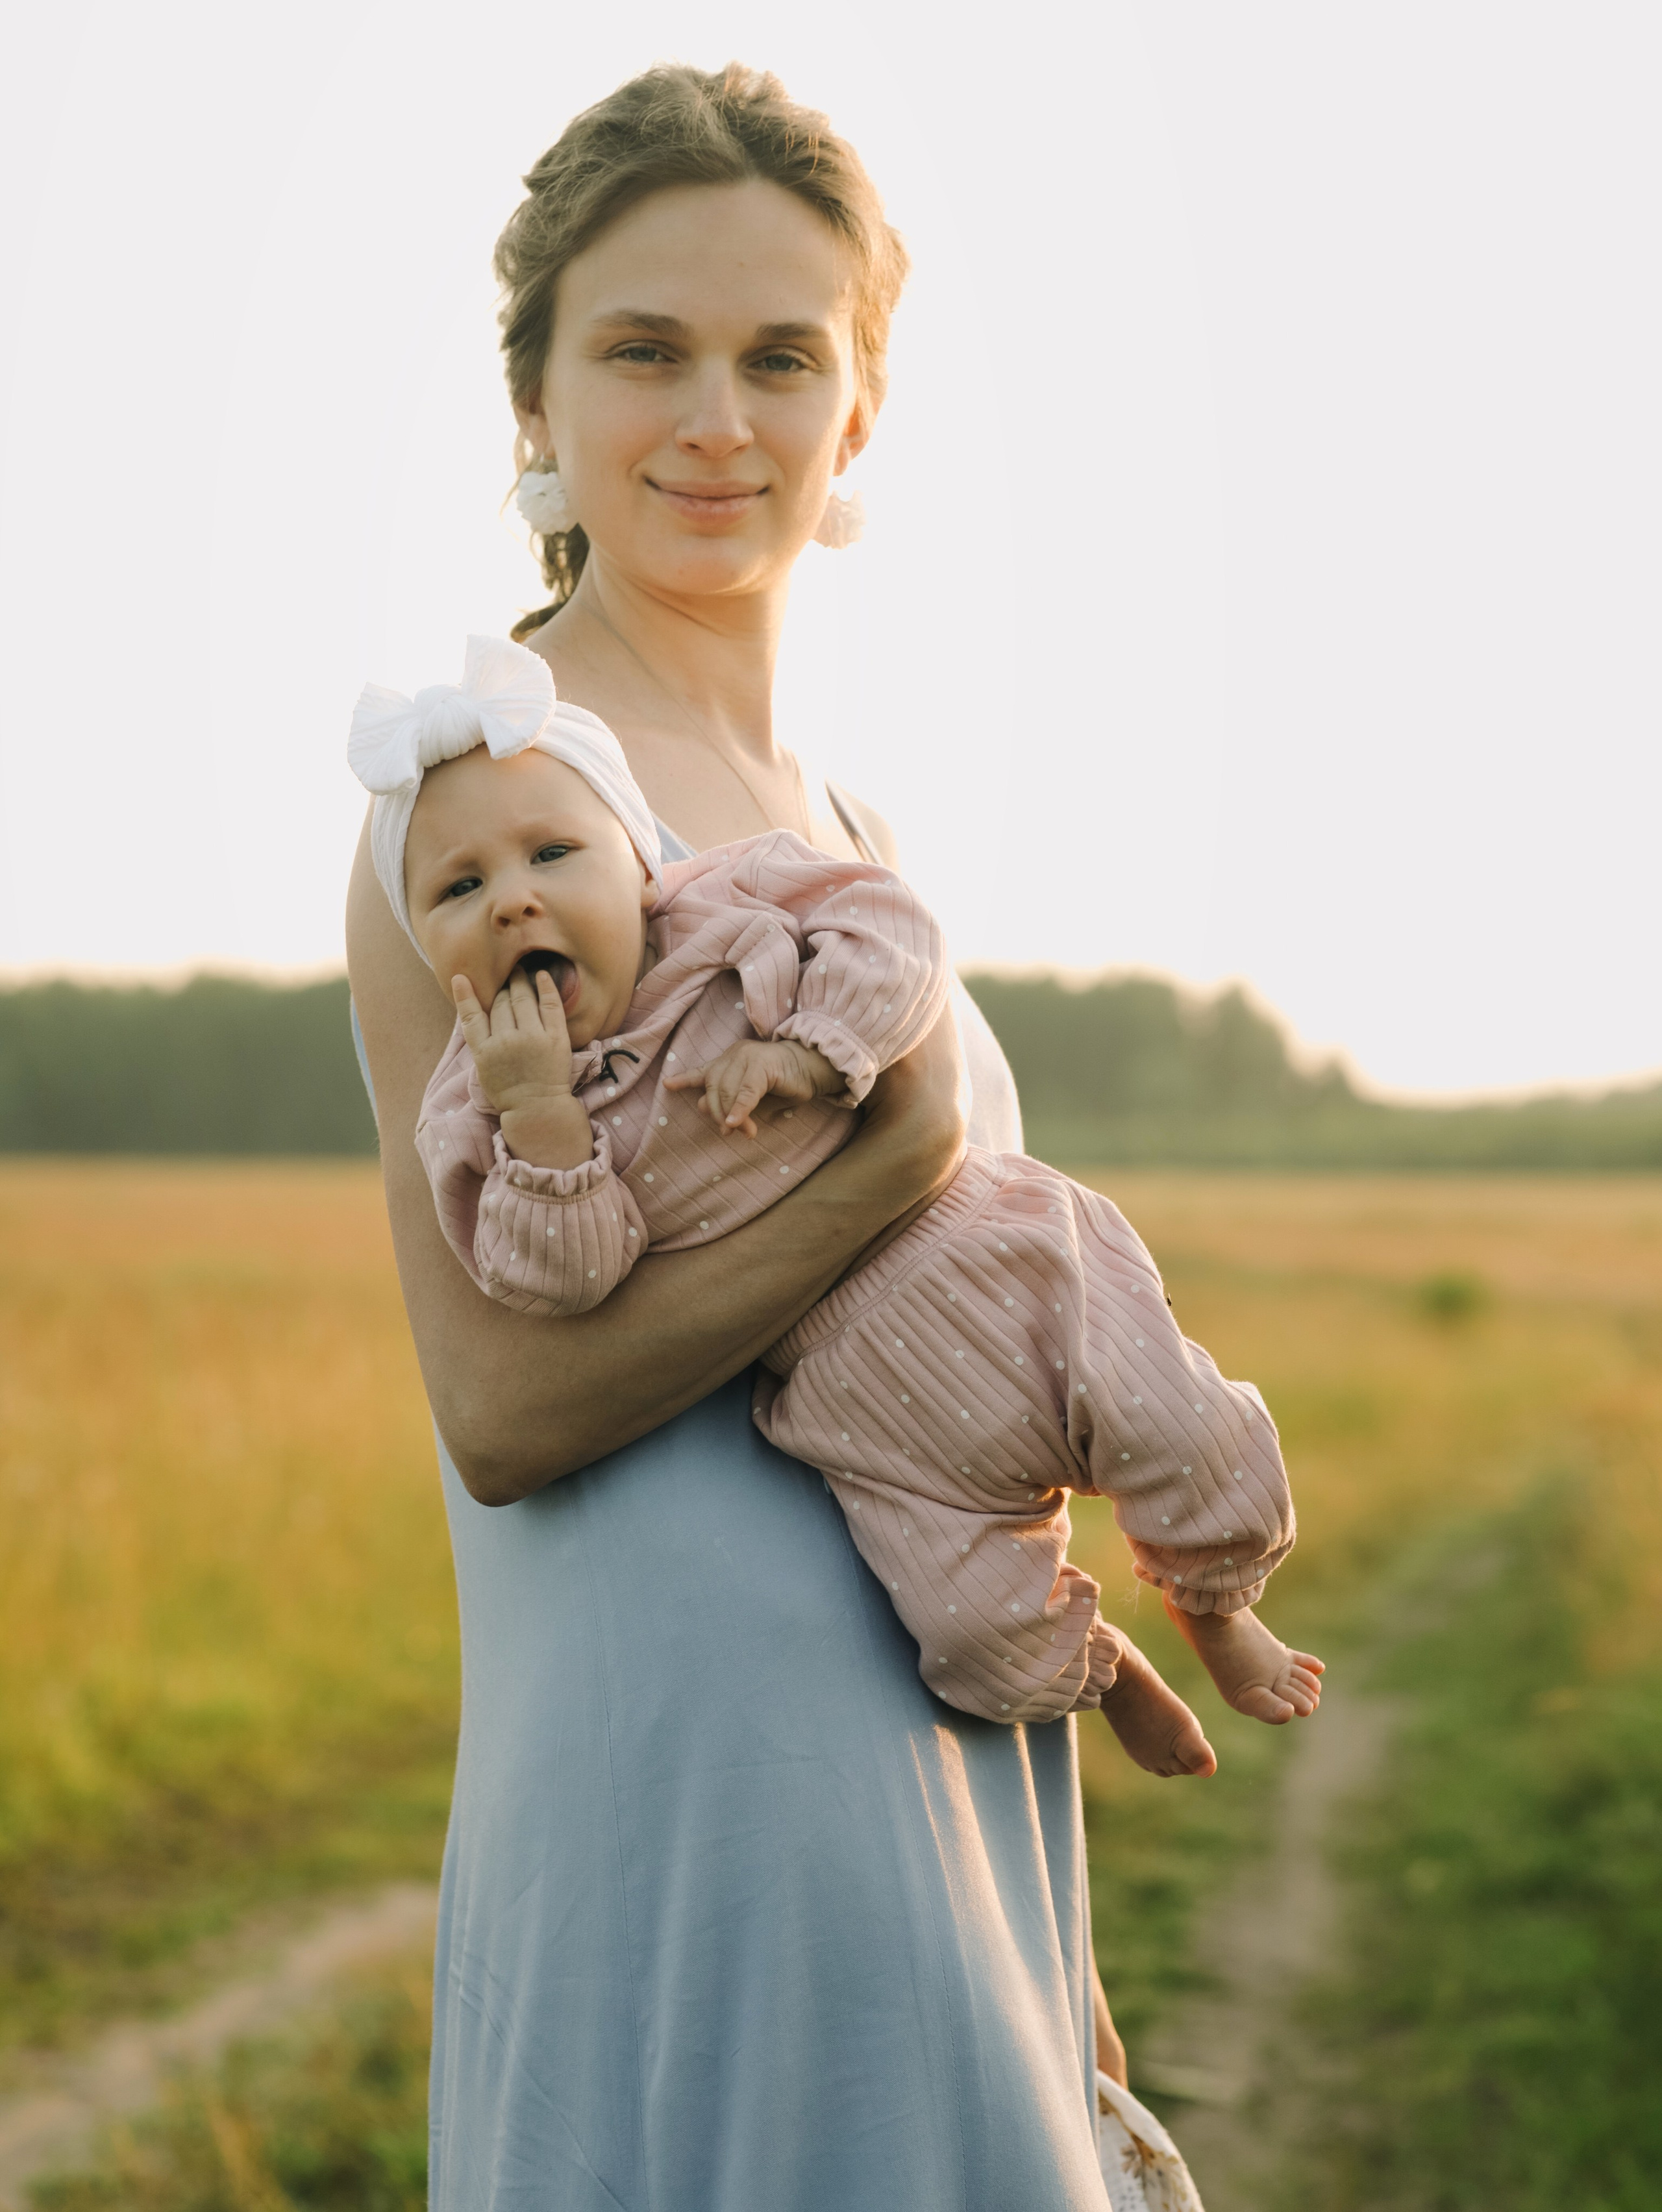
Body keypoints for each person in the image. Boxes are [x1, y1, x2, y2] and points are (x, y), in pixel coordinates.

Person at [344, 62, 1282, 2209]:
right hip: (696, 1806)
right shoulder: (484, 815)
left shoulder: (855, 822)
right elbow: (501, 1402)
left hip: (952, 1794)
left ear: (861, 415)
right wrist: (875, 1165)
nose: (716, 419)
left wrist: (1055, 1925)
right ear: (537, 400)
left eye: (785, 356)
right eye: (644, 347)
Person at [347, 640, 1324, 1746]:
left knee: (1176, 1428)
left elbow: (898, 932)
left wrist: (814, 1049)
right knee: (970, 1635)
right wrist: (543, 1124)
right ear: (424, 943)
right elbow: (568, 1281)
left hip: (988, 1258)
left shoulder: (727, 904)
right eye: (458, 888)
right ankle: (1106, 1672)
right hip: (852, 1397)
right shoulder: (476, 1111)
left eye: (553, 854)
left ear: (636, 860)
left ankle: (1219, 1608)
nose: (514, 902)